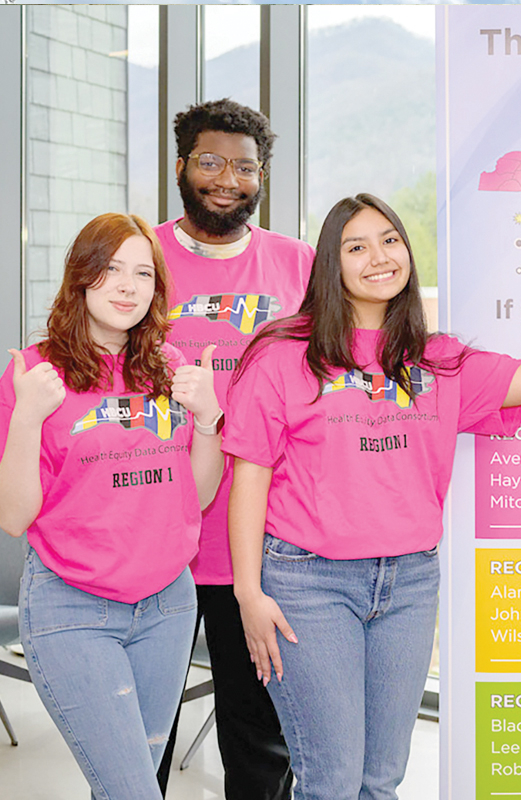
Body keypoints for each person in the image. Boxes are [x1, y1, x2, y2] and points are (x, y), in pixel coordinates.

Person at [223, 193, 521, 798]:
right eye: (355, 247)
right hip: (309, 585)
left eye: (389, 240)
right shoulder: (284, 356)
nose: (378, 257)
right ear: (331, 265)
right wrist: (248, 591)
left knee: (380, 781)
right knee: (331, 781)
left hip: (409, 584)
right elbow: (249, 473)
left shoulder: (437, 360)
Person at [0, 213, 223, 798]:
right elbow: (14, 516)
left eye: (143, 273)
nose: (128, 286)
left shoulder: (170, 369)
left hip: (169, 607)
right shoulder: (34, 372)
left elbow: (196, 497)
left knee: (127, 786)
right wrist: (26, 416)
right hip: (73, 607)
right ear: (81, 277)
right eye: (111, 269)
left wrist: (207, 423)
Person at [156, 98, 312, 798]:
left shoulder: (299, 264)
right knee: (142, 738)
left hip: (256, 543)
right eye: (212, 162)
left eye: (245, 166)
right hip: (154, 534)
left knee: (258, 741)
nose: (228, 179)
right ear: (183, 165)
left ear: (262, 176)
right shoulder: (141, 256)